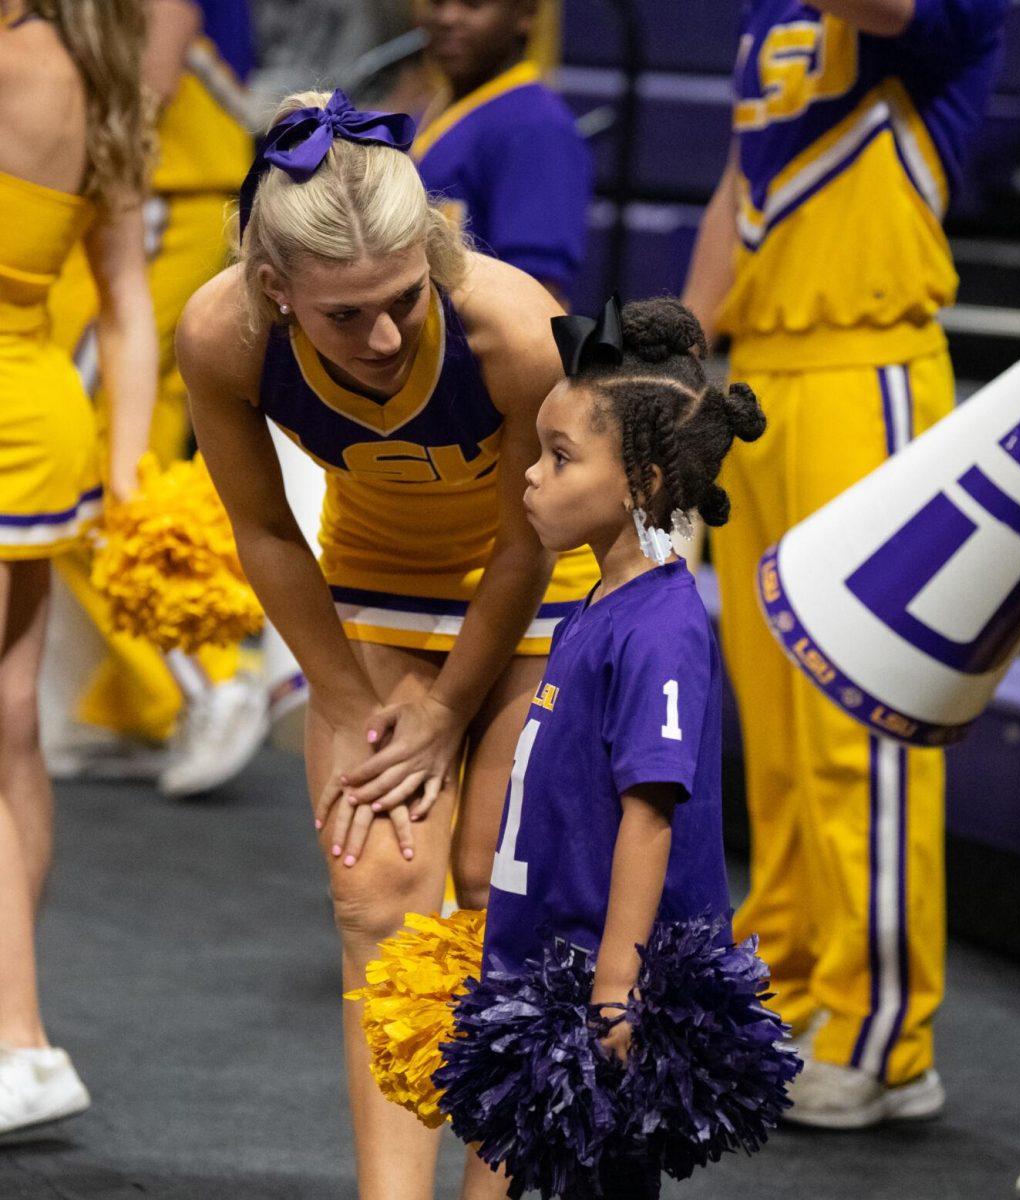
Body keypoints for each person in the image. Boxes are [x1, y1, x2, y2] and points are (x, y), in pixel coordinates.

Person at [175, 90, 597, 1200]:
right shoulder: (222, 332)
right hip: (373, 587)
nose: (381, 337)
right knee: (378, 898)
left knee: (500, 891)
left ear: (434, 255)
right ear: (277, 292)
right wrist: (350, 696)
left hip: (545, 583)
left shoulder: (513, 328)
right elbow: (264, 528)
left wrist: (450, 709)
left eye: (404, 300)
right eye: (343, 315)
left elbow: (529, 540)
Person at [682, 0, 1009, 1127]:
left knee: (854, 724)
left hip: (868, 369)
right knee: (771, 725)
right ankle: (791, 978)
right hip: (762, 374)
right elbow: (744, 177)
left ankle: (887, 1032)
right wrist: (686, 351)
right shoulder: (768, 15)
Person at [448, 296, 765, 1200]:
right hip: (551, 962)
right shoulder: (598, 604)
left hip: (601, 984)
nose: (531, 480)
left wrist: (617, 983)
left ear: (643, 480)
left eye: (559, 458)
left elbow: (650, 810)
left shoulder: (662, 626)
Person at [0, 0, 155, 1136]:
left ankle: (21, 1038)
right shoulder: (92, 69)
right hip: (43, 412)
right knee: (12, 729)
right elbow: (131, 306)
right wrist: (132, 470)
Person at [45, 0, 262, 798]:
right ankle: (145, 703)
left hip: (158, 190)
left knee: (71, 463)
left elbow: (155, 62)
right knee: (118, 456)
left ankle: (211, 685)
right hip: (161, 189)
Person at [411, 0, 591, 307]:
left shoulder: (537, 127)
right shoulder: (432, 110)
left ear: (525, 14)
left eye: (473, 4)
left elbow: (534, 294)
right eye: (437, 3)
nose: (448, 17)